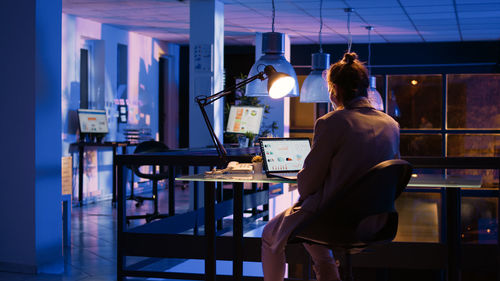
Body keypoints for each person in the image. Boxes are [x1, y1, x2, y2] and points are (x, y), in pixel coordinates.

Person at [261, 52, 400, 281]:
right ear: (366, 88)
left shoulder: (332, 122)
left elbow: (308, 186)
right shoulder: (391, 125)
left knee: (270, 235)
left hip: (334, 219)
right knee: (315, 241)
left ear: (334, 89)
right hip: (375, 219)